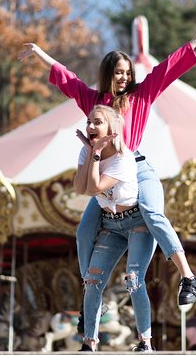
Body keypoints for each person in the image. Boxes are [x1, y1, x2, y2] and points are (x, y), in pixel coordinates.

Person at [19, 23, 196, 328]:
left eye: (127, 71)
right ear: (108, 74)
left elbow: (166, 70)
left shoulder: (142, 95)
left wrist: (195, 42)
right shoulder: (93, 102)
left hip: (135, 166)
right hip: (105, 170)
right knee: (84, 230)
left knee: (153, 213)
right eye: (119, 72)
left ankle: (188, 278)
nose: (125, 76)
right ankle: (91, 296)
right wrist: (39, 53)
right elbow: (67, 80)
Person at [73, 104, 155, 352]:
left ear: (111, 128)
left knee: (134, 280)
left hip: (136, 223)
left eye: (97, 122)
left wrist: (95, 155)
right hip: (111, 224)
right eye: (88, 121)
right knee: (92, 280)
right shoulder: (84, 152)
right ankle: (89, 342)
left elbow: (93, 187)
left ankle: (145, 342)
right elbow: (79, 188)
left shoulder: (123, 158)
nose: (90, 126)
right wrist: (90, 153)